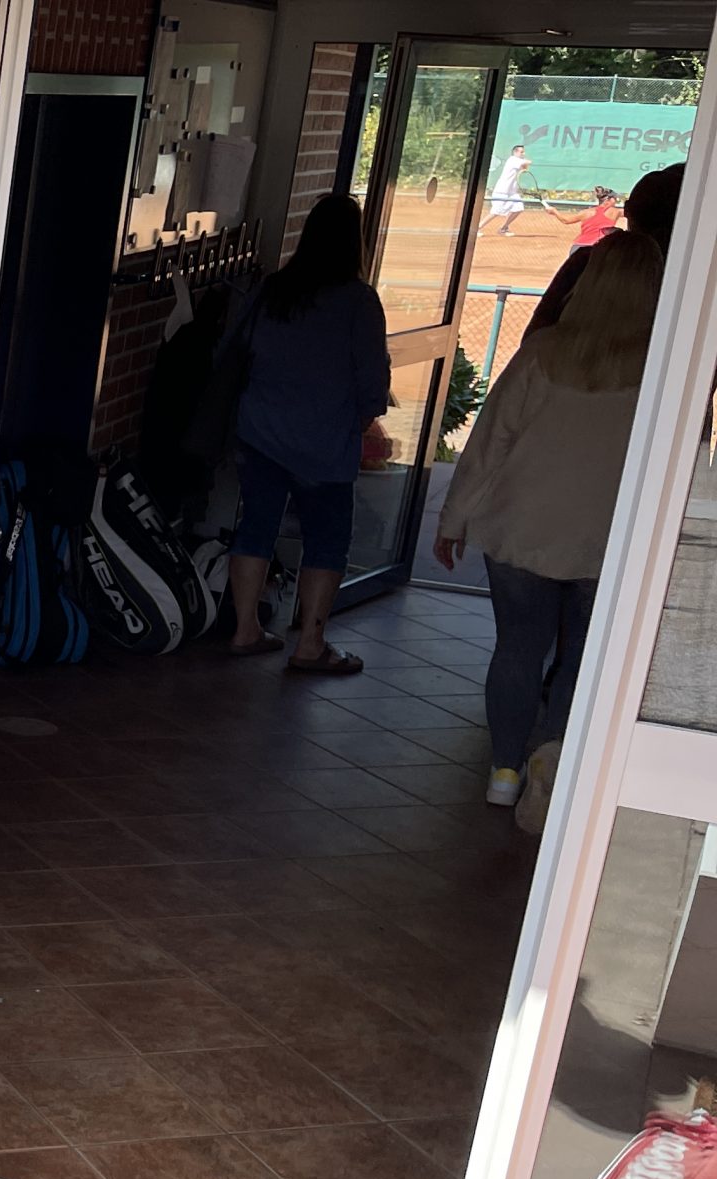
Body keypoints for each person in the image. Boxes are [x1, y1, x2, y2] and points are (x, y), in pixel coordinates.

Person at [436, 231, 663, 806]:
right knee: (583, 658)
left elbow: (490, 443)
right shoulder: (663, 369)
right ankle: (552, 767)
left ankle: (503, 771)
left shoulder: (541, 353)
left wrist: (454, 518)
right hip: (609, 538)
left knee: (517, 648)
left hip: (520, 527)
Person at [222, 192, 390, 675]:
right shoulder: (358, 301)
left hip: (261, 432)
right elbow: (371, 382)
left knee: (255, 527)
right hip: (325, 441)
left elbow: (238, 351)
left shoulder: (274, 289)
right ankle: (311, 644)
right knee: (327, 539)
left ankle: (245, 629)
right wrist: (361, 418)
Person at [531, 163, 684, 332]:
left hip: (582, 248)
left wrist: (554, 212)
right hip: (600, 249)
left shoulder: (587, 217)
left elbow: (541, 325)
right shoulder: (674, 276)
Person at [481, 145, 533, 237]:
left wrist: (525, 162)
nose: (523, 153)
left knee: (519, 208)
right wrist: (526, 161)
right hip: (501, 191)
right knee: (495, 212)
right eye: (521, 152)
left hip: (512, 193)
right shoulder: (512, 160)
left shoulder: (518, 161)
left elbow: (525, 167)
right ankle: (476, 228)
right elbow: (528, 162)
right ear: (515, 152)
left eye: (523, 152)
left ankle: (503, 228)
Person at [562, 186, 624, 251]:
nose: (615, 201)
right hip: (597, 247)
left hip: (578, 246)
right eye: (615, 198)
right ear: (609, 200)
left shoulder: (586, 212)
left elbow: (565, 220)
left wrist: (555, 211)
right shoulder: (615, 211)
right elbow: (630, 212)